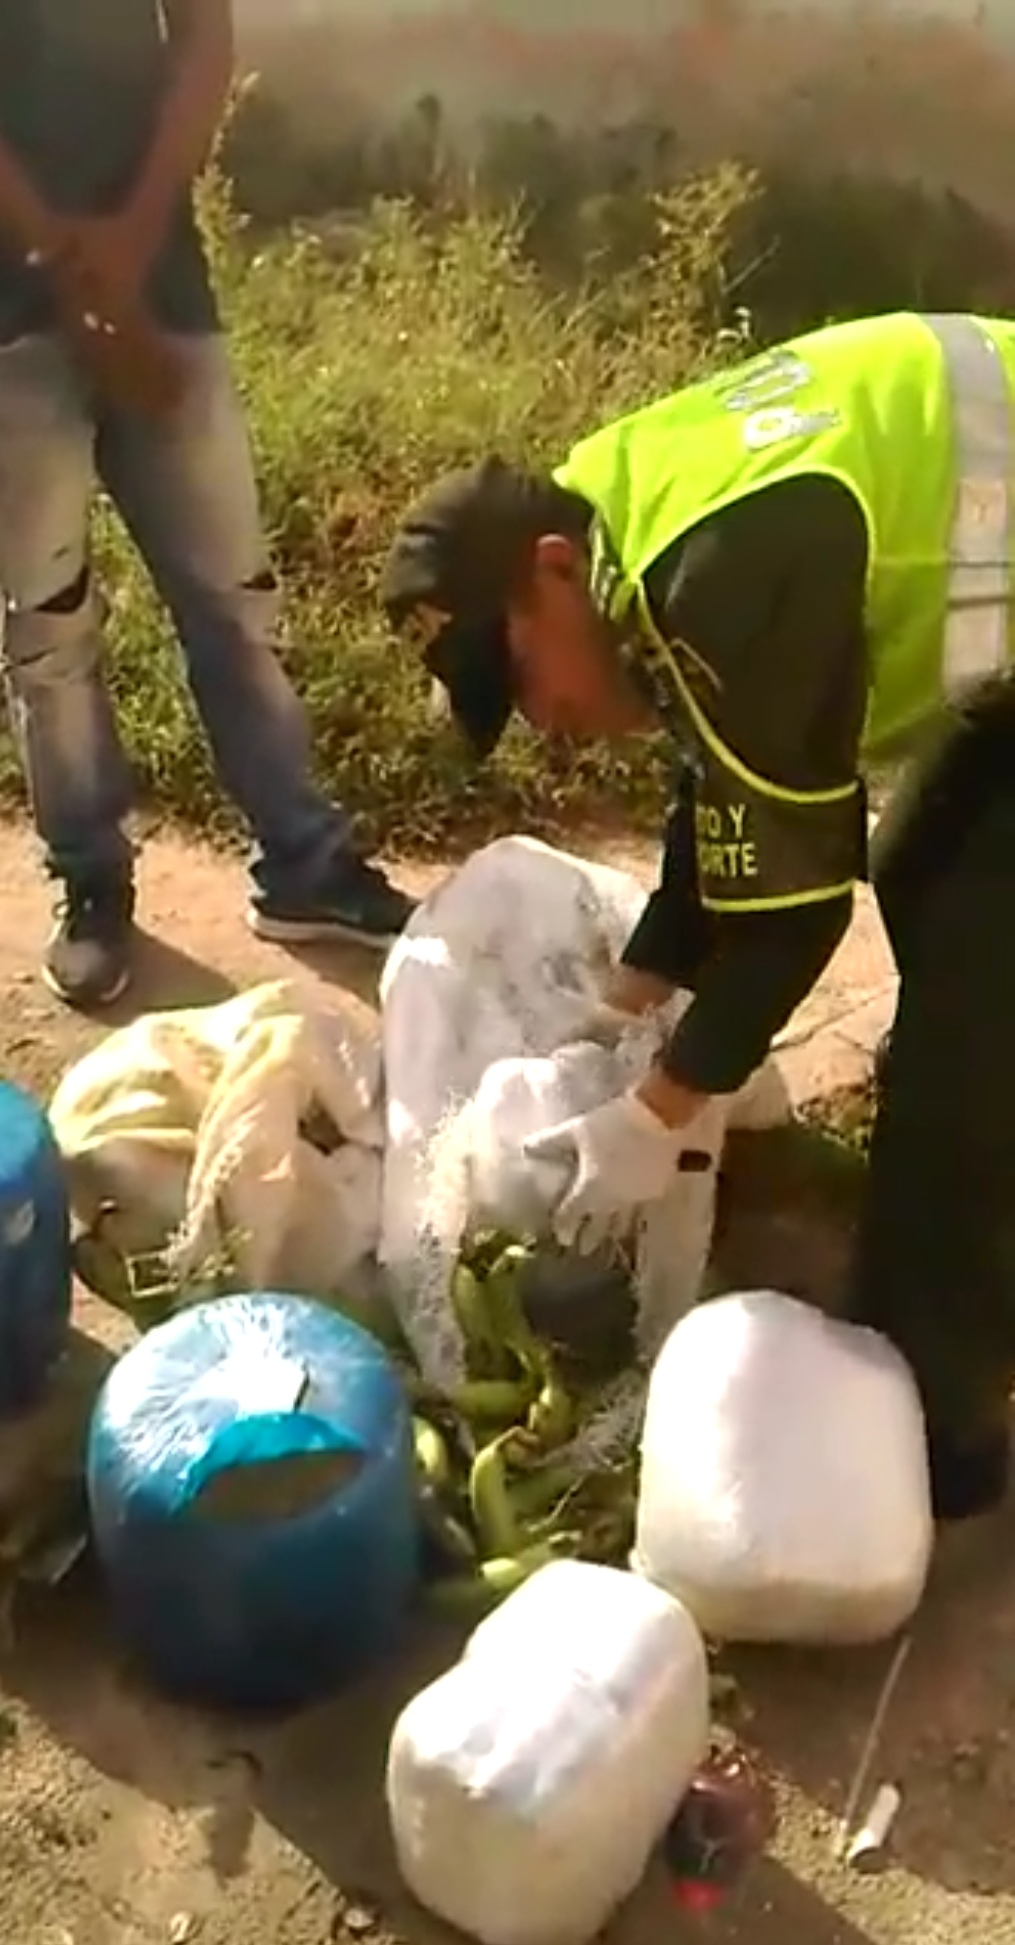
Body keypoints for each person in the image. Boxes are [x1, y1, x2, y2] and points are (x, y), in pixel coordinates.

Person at [380, 309, 1015, 1527]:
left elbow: (795, 917)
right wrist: (635, 993)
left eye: (521, 673)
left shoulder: (722, 572)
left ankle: (947, 1429)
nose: (545, 719)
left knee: (970, 1019)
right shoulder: (626, 519)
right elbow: (718, 776)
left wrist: (659, 1110)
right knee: (923, 867)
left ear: (551, 574)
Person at [0, 0, 413, 1010]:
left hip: (160, 286)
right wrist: (62, 261)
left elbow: (203, 34)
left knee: (234, 594)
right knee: (48, 622)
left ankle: (305, 866)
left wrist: (132, 239)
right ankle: (91, 883)